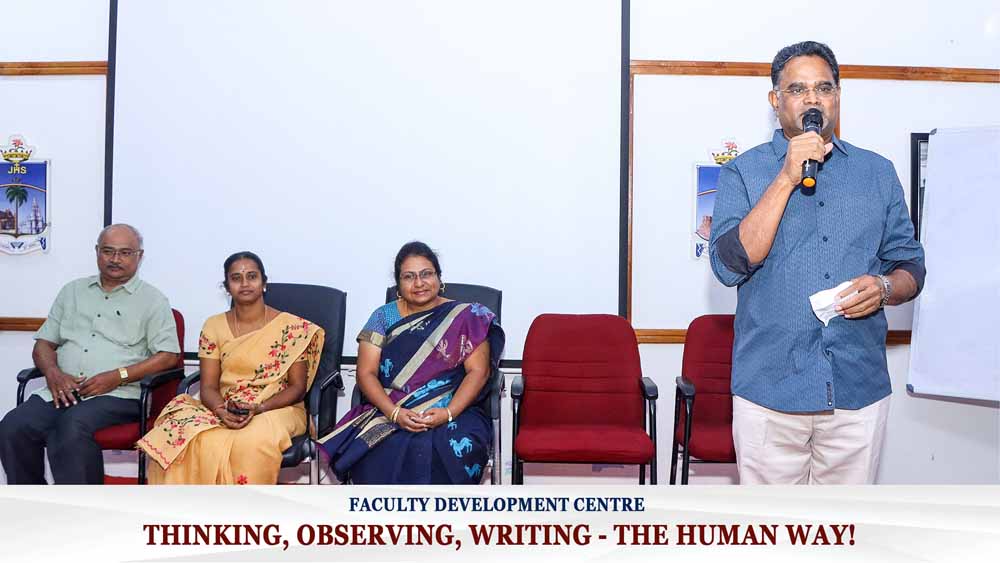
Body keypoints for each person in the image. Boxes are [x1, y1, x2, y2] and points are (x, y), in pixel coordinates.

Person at [709, 41, 926, 484]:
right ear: (775, 100)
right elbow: (729, 265)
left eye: (823, 88)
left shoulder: (877, 173)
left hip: (856, 388)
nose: (812, 99)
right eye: (797, 89)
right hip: (769, 391)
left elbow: (911, 267)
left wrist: (885, 288)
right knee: (770, 528)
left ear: (837, 97)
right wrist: (786, 177)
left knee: (844, 525)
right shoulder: (742, 172)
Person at [0, 224, 180, 484]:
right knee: (13, 426)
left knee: (71, 427)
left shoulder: (153, 300)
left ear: (139, 256)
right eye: (108, 251)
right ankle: (33, 501)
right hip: (63, 390)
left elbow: (168, 356)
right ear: (97, 252)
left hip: (119, 394)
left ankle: (82, 506)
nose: (115, 259)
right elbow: (43, 345)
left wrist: (118, 376)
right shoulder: (72, 291)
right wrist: (53, 374)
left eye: (125, 253)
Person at [318, 241, 504, 484]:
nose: (419, 283)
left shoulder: (468, 317)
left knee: (450, 446)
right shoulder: (383, 317)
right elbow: (366, 373)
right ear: (398, 284)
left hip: (456, 410)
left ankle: (445, 510)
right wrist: (394, 413)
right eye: (409, 276)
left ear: (439, 277)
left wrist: (448, 413)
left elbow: (478, 372)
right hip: (391, 408)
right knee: (379, 448)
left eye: (426, 274)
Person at [137, 251, 324, 484]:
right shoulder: (213, 326)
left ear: (264, 283)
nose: (245, 283)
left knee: (249, 441)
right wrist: (221, 410)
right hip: (226, 406)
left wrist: (259, 407)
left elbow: (297, 388)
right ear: (227, 287)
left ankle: (244, 505)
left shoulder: (293, 328)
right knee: (177, 433)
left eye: (252, 276)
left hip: (277, 408)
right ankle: (194, 505)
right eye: (236, 278)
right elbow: (208, 387)